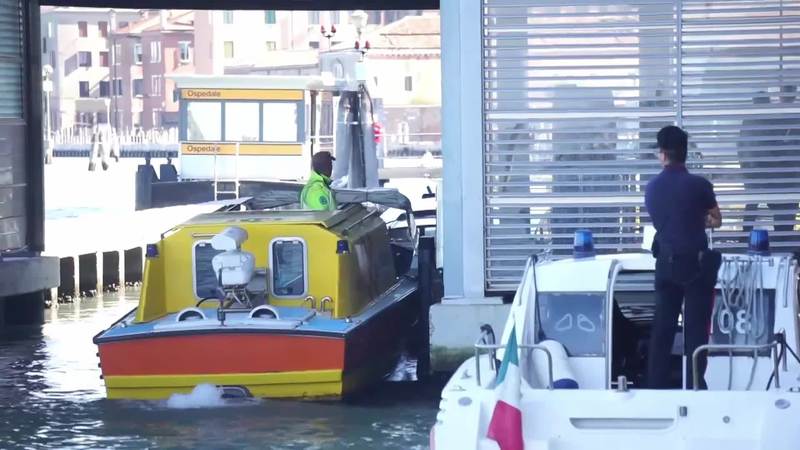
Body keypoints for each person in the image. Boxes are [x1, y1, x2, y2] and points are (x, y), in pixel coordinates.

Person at [645, 125, 722, 390]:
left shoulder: (652, 188)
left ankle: (655, 386)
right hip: (697, 267)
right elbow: (717, 219)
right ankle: (695, 386)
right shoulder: (700, 185)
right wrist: (700, 220)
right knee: (696, 330)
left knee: (662, 330)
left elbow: (662, 221)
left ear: (663, 154)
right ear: (685, 153)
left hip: (665, 265)